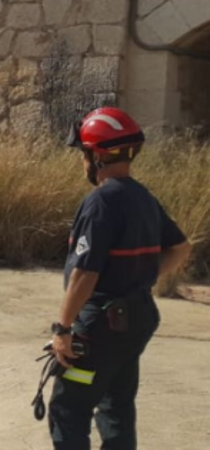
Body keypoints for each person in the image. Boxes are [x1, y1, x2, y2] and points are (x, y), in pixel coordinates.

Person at [48, 107, 193, 449]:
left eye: (83, 154)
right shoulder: (142, 196)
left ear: (96, 156)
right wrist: (141, 276)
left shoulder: (100, 202)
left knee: (69, 408)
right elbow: (181, 248)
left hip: (99, 327)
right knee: (116, 406)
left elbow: (85, 273)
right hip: (135, 318)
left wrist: (63, 329)